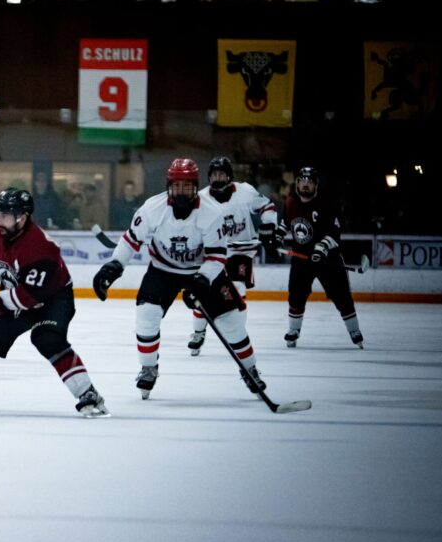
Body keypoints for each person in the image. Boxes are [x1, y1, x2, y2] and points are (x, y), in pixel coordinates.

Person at [93, 158, 266, 400]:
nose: (181, 190)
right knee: (146, 315)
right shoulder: (152, 208)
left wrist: (202, 280)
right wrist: (114, 266)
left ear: (195, 186)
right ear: (169, 185)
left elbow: (217, 256)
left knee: (232, 321)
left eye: (187, 185)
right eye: (177, 185)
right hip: (163, 270)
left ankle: (251, 371)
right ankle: (148, 368)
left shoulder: (211, 212)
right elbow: (131, 240)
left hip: (201, 270)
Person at [0, 188, 109, 417]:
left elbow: (27, 298)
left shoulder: (40, 249)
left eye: (5, 215)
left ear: (22, 217)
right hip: (17, 294)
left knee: (46, 338)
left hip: (53, 299)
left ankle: (88, 393)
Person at [186, 156, 278, 355]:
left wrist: (269, 225)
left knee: (238, 288)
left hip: (241, 252)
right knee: (203, 292)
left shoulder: (245, 191)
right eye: (214, 174)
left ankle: (237, 334)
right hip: (213, 255)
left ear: (229, 176)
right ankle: (198, 332)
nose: (217, 177)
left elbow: (267, 207)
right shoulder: (200, 199)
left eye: (222, 173)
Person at [267, 166, 364, 349]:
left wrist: (322, 248)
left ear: (315, 185)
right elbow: (284, 225)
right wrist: (276, 240)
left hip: (328, 260)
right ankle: (293, 331)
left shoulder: (327, 204)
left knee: (341, 296)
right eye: (302, 180)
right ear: (297, 183)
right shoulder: (290, 203)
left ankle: (354, 330)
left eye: (309, 181)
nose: (305, 184)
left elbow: (335, 232)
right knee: (296, 295)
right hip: (301, 259)